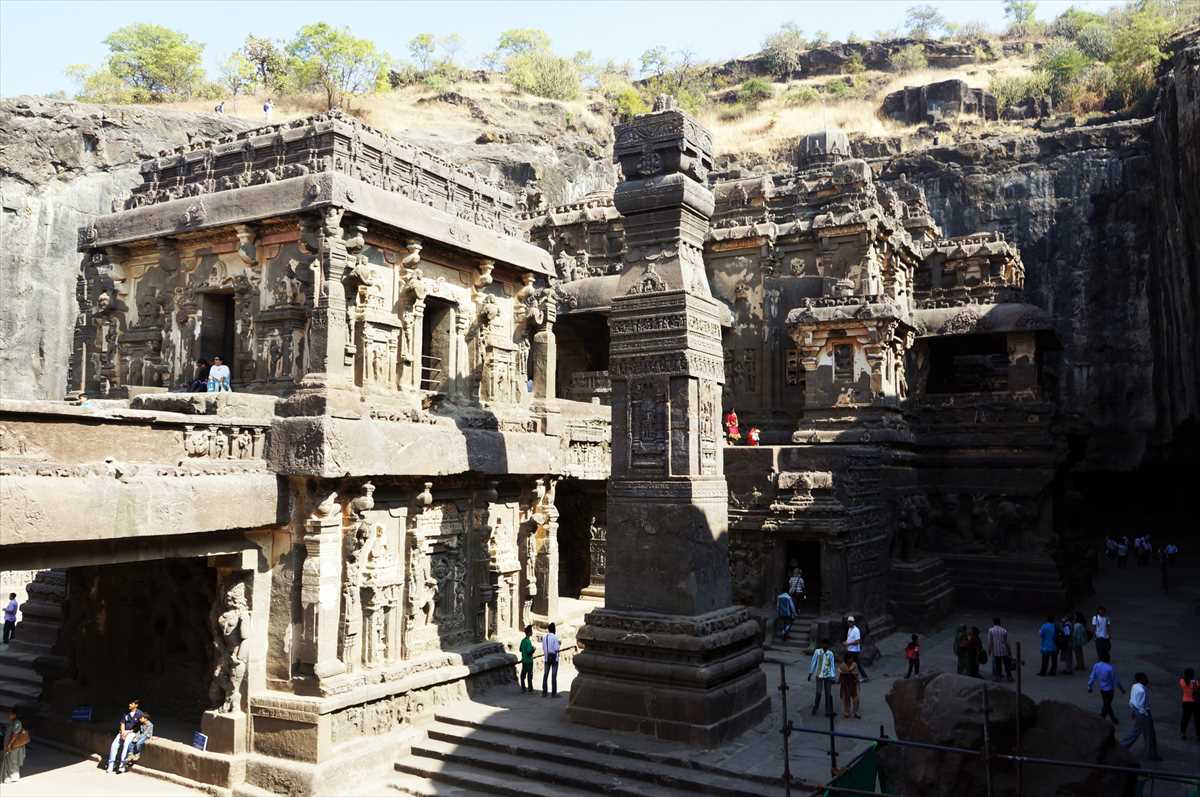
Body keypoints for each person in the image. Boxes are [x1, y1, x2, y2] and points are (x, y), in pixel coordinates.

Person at [1120, 673, 1162, 761]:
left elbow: (1133, 701)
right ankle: (1151, 754)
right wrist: (1144, 714)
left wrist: (1134, 711)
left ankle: (1121, 747)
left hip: (1139, 713)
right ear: (1141, 679)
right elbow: (1140, 705)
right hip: (1144, 714)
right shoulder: (1142, 690)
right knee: (1149, 734)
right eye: (1145, 678)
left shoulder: (1134, 686)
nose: (1147, 679)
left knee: (1135, 732)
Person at [1087, 651, 1125, 724]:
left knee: (1106, 704)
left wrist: (1089, 686)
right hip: (1110, 690)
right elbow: (1116, 680)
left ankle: (1103, 717)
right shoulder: (1110, 668)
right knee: (1107, 704)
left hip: (1102, 689)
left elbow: (1092, 677)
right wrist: (1121, 689)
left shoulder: (1096, 666)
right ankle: (1109, 718)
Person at [106, 699, 144, 773]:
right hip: (123, 732)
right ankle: (111, 765)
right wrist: (123, 732)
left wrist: (128, 732)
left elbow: (139, 727)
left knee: (126, 745)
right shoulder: (126, 713)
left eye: (131, 703)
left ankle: (122, 765)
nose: (129, 705)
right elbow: (122, 723)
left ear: (136, 705)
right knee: (114, 745)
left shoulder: (140, 714)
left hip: (132, 733)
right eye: (129, 703)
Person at [807, 638, 836, 716]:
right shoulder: (817, 652)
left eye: (826, 644)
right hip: (819, 675)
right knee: (818, 692)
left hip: (828, 675)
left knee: (828, 693)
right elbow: (813, 662)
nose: (825, 645)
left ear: (828, 645)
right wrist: (810, 673)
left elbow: (832, 665)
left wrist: (833, 676)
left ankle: (828, 710)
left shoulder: (830, 654)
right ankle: (815, 707)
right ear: (821, 644)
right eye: (823, 644)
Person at [1, 709, 27, 785]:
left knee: (13, 760)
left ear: (15, 715)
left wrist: (9, 744)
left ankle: (14, 776)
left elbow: (15, 735)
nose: (9, 716)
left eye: (11, 714)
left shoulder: (17, 723)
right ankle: (9, 776)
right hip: (10, 744)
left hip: (14, 745)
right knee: (9, 760)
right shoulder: (12, 722)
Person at [844, 616, 868, 682]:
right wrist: (846, 643)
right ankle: (863, 676)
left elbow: (857, 641)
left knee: (850, 663)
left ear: (854, 622)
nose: (850, 623)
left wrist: (848, 644)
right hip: (850, 650)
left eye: (851, 622)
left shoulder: (856, 630)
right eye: (849, 622)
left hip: (854, 651)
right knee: (855, 664)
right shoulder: (849, 629)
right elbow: (849, 639)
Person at [837, 653, 861, 719]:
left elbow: (856, 674)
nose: (851, 659)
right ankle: (846, 712)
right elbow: (840, 673)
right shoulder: (842, 665)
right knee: (846, 699)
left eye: (851, 658)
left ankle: (855, 712)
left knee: (856, 699)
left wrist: (849, 672)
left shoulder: (854, 664)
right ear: (846, 659)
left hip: (854, 683)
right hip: (846, 684)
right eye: (849, 658)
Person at [541, 622, 560, 697]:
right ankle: (553, 693)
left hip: (547, 658)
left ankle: (544, 692)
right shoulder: (555, 637)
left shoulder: (544, 637)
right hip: (554, 658)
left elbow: (543, 647)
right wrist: (559, 644)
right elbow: (556, 649)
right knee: (553, 676)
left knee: (545, 675)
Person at [1180, 668, 1199, 740]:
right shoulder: (1194, 682)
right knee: (1197, 719)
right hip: (1195, 702)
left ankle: (1183, 733)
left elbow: (1183, 681)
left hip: (1186, 702)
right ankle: (1198, 735)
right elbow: (1196, 690)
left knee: (1185, 718)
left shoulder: (1182, 681)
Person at [518, 625, 535, 693]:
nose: (532, 632)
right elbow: (529, 652)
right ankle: (530, 689)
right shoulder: (528, 642)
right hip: (529, 661)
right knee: (529, 675)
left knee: (523, 675)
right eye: (531, 631)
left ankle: (523, 687)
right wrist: (533, 649)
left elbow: (520, 649)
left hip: (524, 660)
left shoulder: (523, 641)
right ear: (528, 633)